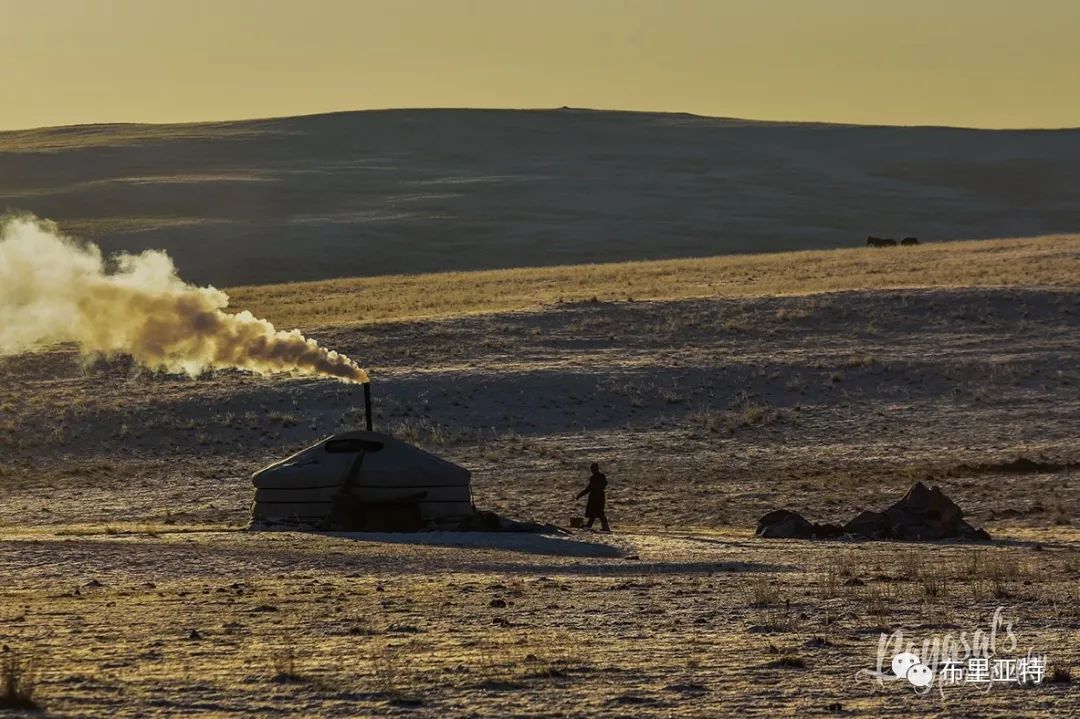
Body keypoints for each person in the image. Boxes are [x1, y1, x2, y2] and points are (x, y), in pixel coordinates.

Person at [576, 462, 610, 531]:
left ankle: (605, 527)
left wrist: (580, 495)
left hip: (596, 497)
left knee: (599, 512)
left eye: (593, 469)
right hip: (598, 496)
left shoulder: (596, 477)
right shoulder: (600, 476)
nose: (592, 470)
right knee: (594, 513)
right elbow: (604, 484)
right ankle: (589, 525)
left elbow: (589, 488)